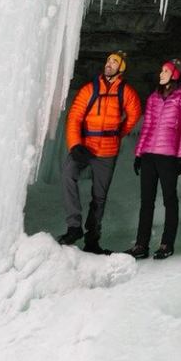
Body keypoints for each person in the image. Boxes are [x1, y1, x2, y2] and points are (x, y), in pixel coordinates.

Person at [58, 51, 142, 253]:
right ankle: (74, 227)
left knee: (99, 197)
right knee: (67, 175)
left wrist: (119, 132)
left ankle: (92, 239)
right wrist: (75, 144)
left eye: (114, 62)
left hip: (107, 150)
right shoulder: (89, 89)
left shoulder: (126, 92)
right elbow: (75, 117)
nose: (109, 64)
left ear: (120, 68)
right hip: (85, 145)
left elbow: (135, 112)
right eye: (108, 61)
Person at [128, 59, 181, 260]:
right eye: (161, 70)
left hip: (168, 157)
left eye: (165, 70)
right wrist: (139, 153)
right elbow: (147, 127)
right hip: (149, 155)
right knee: (146, 201)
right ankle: (141, 245)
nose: (161, 73)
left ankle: (167, 243)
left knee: (169, 200)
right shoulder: (153, 97)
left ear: (175, 74)